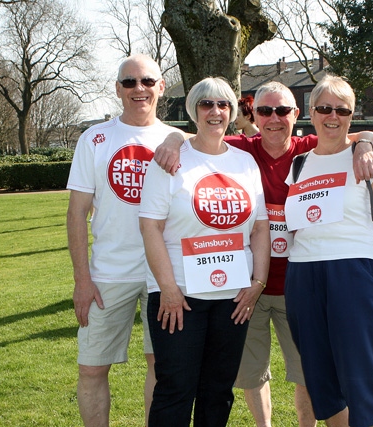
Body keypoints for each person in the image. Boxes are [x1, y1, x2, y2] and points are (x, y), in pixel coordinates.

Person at [154, 81, 373, 427]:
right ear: (252, 115)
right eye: (264, 111)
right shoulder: (239, 150)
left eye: (282, 111)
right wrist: (173, 137)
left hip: (299, 284)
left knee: (308, 371)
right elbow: (200, 137)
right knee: (249, 375)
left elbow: (356, 130)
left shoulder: (311, 148)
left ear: (297, 115)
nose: (274, 119)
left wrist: (366, 142)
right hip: (245, 289)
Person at [139, 76, 271, 427]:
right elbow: (150, 226)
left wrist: (258, 282)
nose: (215, 111)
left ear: (232, 111)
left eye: (223, 104)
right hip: (179, 297)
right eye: (206, 104)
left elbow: (259, 227)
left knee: (218, 391)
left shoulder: (245, 163)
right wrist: (167, 288)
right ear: (193, 110)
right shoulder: (170, 159)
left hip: (233, 299)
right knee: (175, 390)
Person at [66, 53, 180, 427]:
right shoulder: (94, 139)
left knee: (159, 366)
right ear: (117, 89)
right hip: (107, 275)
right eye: (129, 82)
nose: (139, 89)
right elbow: (76, 214)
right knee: (92, 368)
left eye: (147, 81)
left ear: (161, 87)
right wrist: (82, 279)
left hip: (162, 275)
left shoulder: (179, 142)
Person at [282, 75, 373, 427]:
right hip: (303, 272)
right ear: (310, 113)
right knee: (319, 376)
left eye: (341, 110)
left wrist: (364, 143)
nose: (333, 116)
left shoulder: (367, 159)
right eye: (324, 108)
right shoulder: (298, 164)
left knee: (360, 375)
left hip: (354, 269)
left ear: (351, 114)